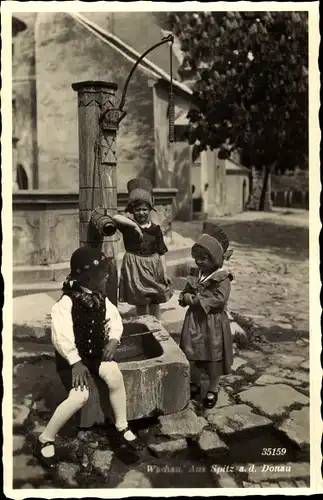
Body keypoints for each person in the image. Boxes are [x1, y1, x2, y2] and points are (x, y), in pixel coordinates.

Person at [33, 246, 141, 469]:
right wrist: (75, 362)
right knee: (79, 397)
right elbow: (61, 337)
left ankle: (122, 426)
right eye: (104, 272)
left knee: (114, 376)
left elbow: (114, 319)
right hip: (72, 361)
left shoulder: (100, 299)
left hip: (94, 356)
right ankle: (45, 439)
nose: (108, 275)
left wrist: (113, 340)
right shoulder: (66, 303)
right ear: (88, 276)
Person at [178, 222, 234, 409]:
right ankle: (194, 382)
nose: (200, 262)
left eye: (204, 259)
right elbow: (187, 288)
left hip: (212, 323)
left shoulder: (222, 278)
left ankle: (213, 387)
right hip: (194, 321)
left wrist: (197, 302)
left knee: (213, 356)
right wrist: (185, 296)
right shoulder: (197, 273)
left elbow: (220, 300)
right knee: (191, 352)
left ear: (216, 259)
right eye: (197, 258)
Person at [117, 177, 173, 320]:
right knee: (140, 300)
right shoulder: (128, 227)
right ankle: (144, 325)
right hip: (135, 267)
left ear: (150, 210)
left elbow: (161, 252)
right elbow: (114, 217)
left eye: (144, 209)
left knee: (155, 298)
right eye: (137, 210)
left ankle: (157, 326)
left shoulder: (155, 229)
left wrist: (164, 272)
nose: (141, 213)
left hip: (153, 266)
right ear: (132, 210)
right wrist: (134, 226)